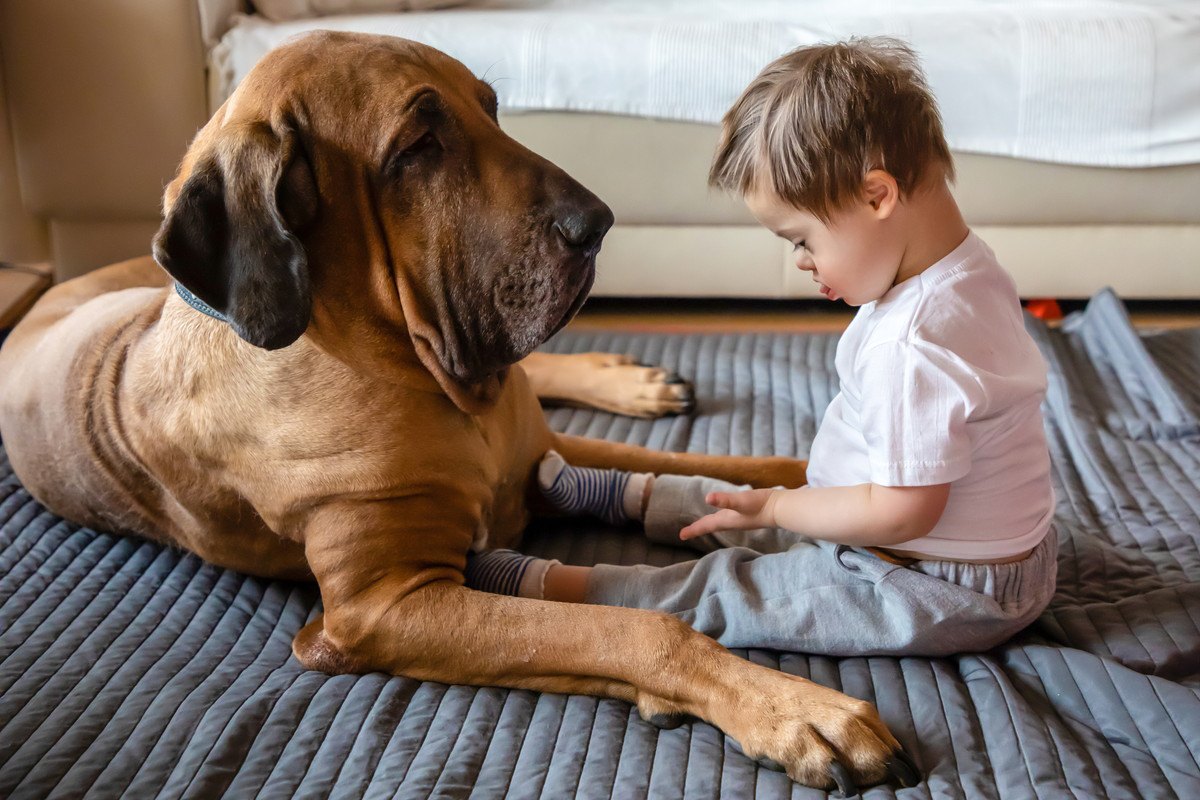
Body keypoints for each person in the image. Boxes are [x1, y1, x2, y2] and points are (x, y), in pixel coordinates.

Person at [466, 37, 1058, 656]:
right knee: (754, 507)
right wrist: (778, 508)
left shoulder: (911, 345)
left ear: (877, 195)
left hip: (929, 582)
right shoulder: (969, 270)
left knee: (739, 589)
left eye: (800, 239)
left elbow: (901, 515)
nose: (800, 261)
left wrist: (779, 510)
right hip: (966, 554)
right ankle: (626, 494)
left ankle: (560, 586)